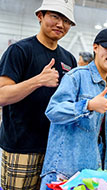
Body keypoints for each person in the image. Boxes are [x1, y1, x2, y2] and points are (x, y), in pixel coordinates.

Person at [0, 0, 77, 189]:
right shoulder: (19, 51)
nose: (61, 25)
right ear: (40, 16)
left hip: (55, 150)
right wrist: (38, 80)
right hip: (21, 147)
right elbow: (2, 95)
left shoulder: (69, 59)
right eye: (55, 17)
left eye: (66, 21)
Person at [40, 28, 107, 189]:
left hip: (97, 176)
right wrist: (87, 105)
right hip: (66, 174)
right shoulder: (76, 77)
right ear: (95, 47)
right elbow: (53, 111)